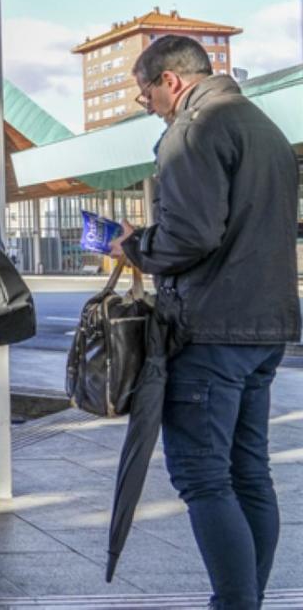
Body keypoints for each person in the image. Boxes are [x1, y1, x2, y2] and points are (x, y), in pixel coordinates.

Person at [108, 35, 300, 610]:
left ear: (171, 81)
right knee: (249, 474)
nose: (146, 105)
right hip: (265, 329)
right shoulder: (263, 127)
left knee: (202, 479)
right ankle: (247, 600)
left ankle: (234, 604)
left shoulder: (192, 129)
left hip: (211, 328)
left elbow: (191, 234)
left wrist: (135, 247)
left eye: (145, 94)